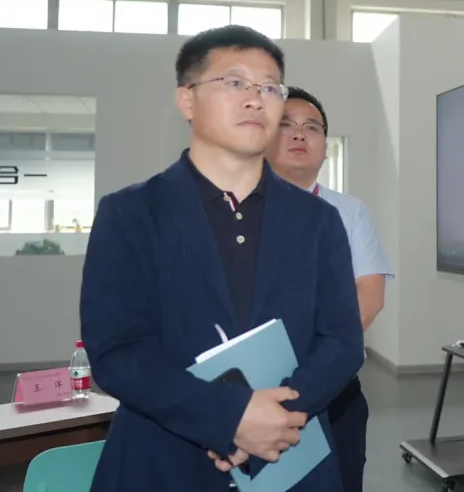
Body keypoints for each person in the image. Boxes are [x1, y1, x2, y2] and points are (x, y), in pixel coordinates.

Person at [79, 25, 366, 492]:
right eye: (234, 83)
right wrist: (229, 417)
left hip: (290, 457)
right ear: (187, 100)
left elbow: (342, 341)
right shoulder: (130, 214)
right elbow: (116, 351)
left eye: (269, 88)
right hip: (164, 461)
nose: (255, 100)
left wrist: (273, 420)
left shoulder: (318, 220)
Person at [268, 86, 393, 492]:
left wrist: (315, 367)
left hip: (333, 388)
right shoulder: (235, 209)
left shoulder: (349, 212)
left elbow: (369, 296)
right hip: (254, 390)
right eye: (286, 125)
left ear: (325, 147)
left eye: (312, 127)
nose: (299, 134)